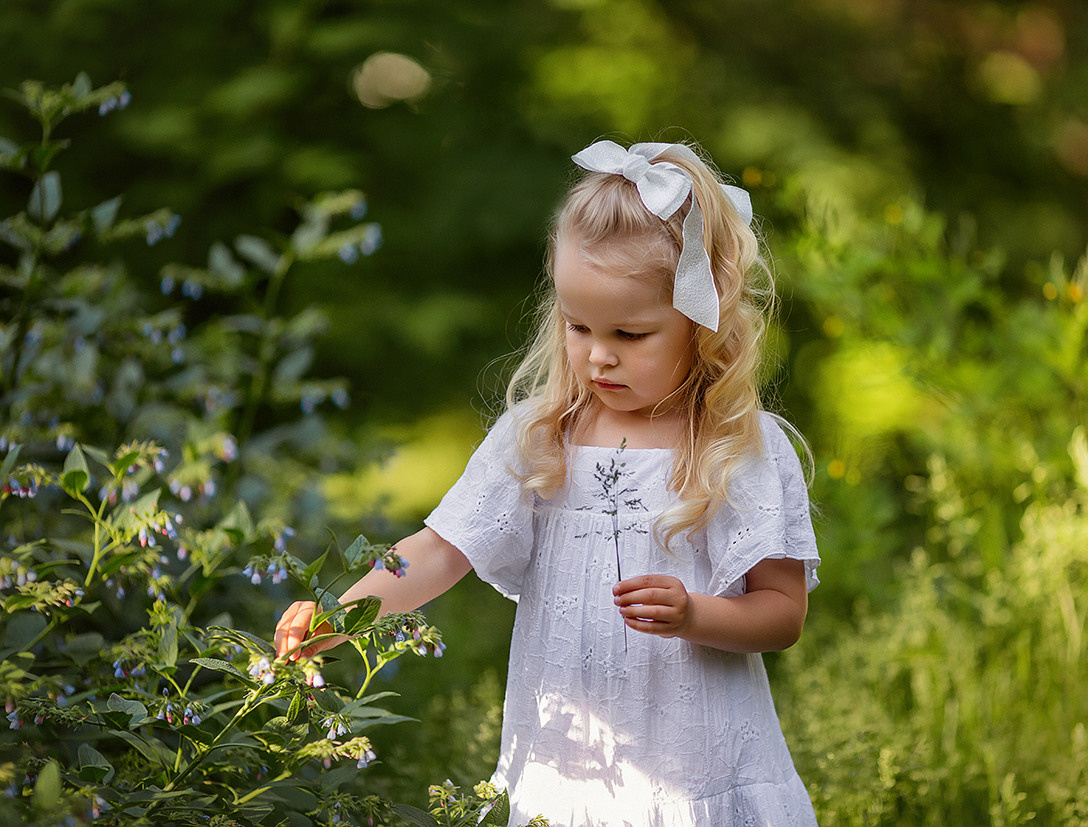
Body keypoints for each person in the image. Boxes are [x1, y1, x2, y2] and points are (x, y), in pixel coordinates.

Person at [275, 138, 821, 825]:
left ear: (700, 319)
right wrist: (338, 616)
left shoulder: (734, 446)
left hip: (696, 767)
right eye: (578, 324)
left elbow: (782, 611)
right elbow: (442, 549)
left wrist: (694, 614)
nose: (598, 354)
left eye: (630, 332)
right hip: (571, 766)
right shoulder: (542, 437)